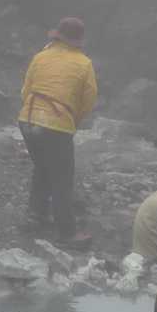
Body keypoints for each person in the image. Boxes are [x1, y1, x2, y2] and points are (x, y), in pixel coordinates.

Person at [17, 17, 98, 246]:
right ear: (79, 41)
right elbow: (88, 100)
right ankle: (67, 233)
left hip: (27, 119)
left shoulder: (40, 56)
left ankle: (35, 215)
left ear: (57, 36)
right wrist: (72, 121)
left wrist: (33, 115)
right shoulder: (84, 64)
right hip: (57, 124)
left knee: (42, 168)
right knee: (62, 178)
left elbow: (26, 91)